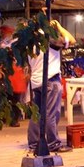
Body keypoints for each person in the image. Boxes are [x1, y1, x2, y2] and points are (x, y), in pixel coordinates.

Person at [28, 20, 74, 153]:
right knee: (51, 113)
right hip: (50, 79)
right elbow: (71, 40)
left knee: (36, 115)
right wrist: (59, 26)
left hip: (36, 80)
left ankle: (33, 144)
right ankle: (53, 143)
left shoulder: (30, 39)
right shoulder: (49, 37)